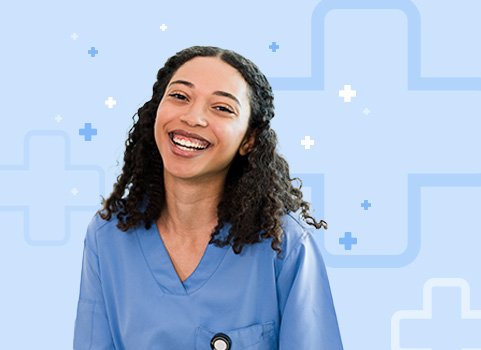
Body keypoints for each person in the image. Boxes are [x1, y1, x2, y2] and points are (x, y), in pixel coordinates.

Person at [73, 46, 344, 349]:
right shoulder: (108, 236)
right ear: (155, 113)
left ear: (249, 140)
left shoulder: (284, 245)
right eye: (179, 97)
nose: (193, 117)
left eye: (222, 108)